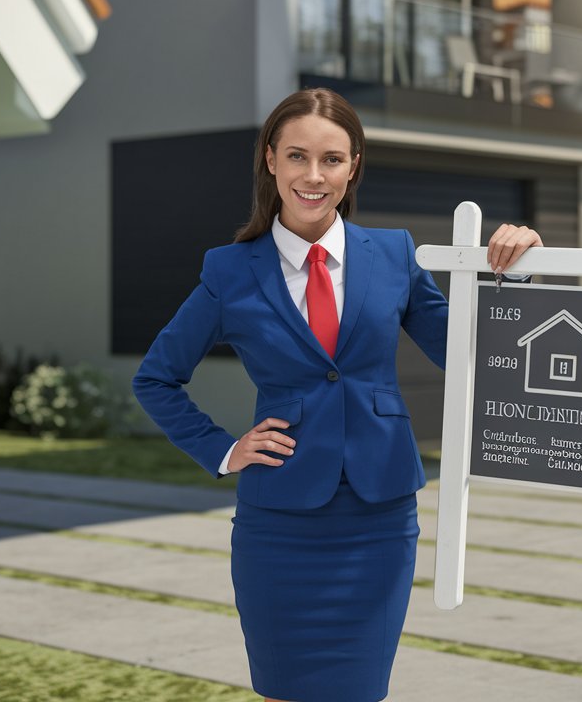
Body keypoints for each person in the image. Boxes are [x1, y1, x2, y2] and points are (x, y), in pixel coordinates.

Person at [132, 87, 542, 702]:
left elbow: (477, 358)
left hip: (378, 519)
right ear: (270, 160)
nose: (313, 176)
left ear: (353, 167)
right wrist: (222, 449)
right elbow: (155, 378)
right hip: (279, 524)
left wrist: (520, 274)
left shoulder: (394, 255)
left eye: (332, 159)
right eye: (297, 156)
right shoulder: (231, 270)